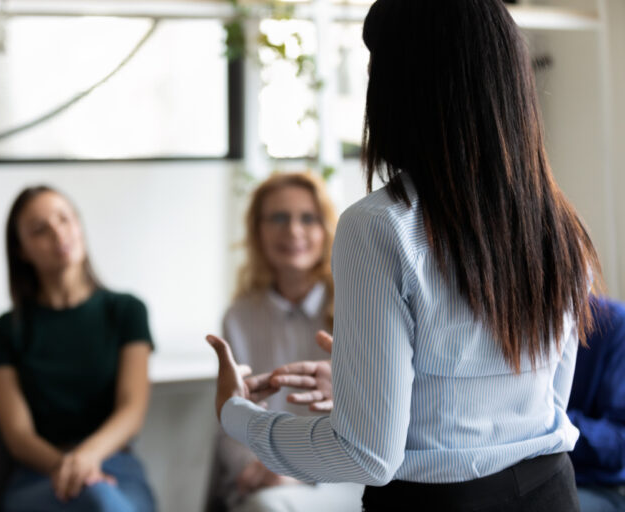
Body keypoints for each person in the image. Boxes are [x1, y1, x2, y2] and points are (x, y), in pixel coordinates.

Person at [206, 0, 602, 510]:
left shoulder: (381, 227)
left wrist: (236, 412)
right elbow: (536, 405)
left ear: (405, 89)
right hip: (551, 492)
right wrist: (366, 391)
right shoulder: (560, 225)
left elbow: (366, 456)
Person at [0, 186, 156, 512]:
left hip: (116, 464)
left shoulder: (127, 311)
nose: (58, 233)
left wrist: (87, 457)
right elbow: (18, 435)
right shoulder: (3, 332)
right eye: (39, 229)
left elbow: (132, 410)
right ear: (21, 250)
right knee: (98, 500)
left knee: (106, 501)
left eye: (65, 219)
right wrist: (69, 466)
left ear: (79, 225)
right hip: (39, 473)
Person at [204, 172, 363, 512]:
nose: (293, 231)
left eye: (308, 218)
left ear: (326, 229)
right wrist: (256, 468)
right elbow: (230, 414)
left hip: (344, 478)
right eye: (278, 218)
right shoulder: (239, 316)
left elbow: (373, 421)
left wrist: (299, 474)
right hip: (264, 478)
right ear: (257, 231)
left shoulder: (359, 305)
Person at [568, 296, 625, 512]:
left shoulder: (615, 325)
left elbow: (619, 442)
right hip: (537, 478)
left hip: (599, 485)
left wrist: (552, 424)